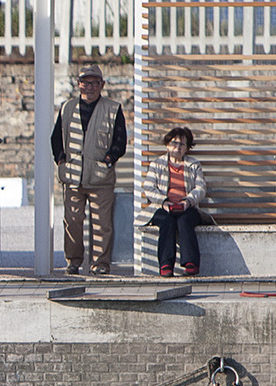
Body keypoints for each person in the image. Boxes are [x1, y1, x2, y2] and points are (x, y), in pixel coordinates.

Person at [50, 63, 127, 276]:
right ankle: (73, 261)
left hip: (101, 177)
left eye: (94, 83)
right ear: (78, 84)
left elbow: (120, 141)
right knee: (72, 222)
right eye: (85, 82)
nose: (90, 87)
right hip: (73, 176)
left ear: (102, 84)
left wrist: (108, 161)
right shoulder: (67, 108)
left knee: (102, 224)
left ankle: (100, 264)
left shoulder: (113, 108)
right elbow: (56, 138)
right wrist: (61, 161)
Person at [139, 126, 209, 278]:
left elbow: (200, 188)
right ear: (167, 145)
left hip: (187, 207)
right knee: (167, 222)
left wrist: (188, 201)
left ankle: (191, 263)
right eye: (174, 143)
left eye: (182, 144)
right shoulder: (157, 164)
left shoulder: (193, 165)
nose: (177, 147)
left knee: (184, 220)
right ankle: (165, 264)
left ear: (187, 148)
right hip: (162, 207)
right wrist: (163, 202)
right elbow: (149, 187)